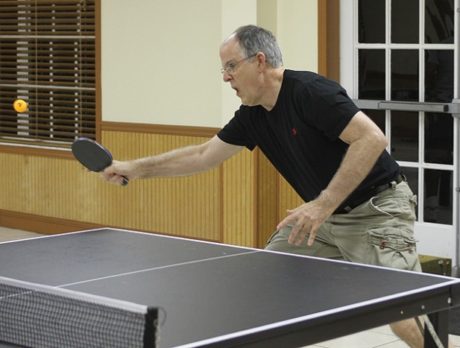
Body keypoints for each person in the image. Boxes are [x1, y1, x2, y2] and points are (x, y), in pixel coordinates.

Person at [103, 25, 428, 348]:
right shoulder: (252, 115)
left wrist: (322, 203)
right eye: (224, 68)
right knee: (268, 280)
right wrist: (136, 168)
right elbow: (204, 155)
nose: (225, 77)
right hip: (323, 219)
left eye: (231, 66)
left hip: (376, 210)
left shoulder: (310, 92)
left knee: (401, 312)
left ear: (259, 61)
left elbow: (371, 139)